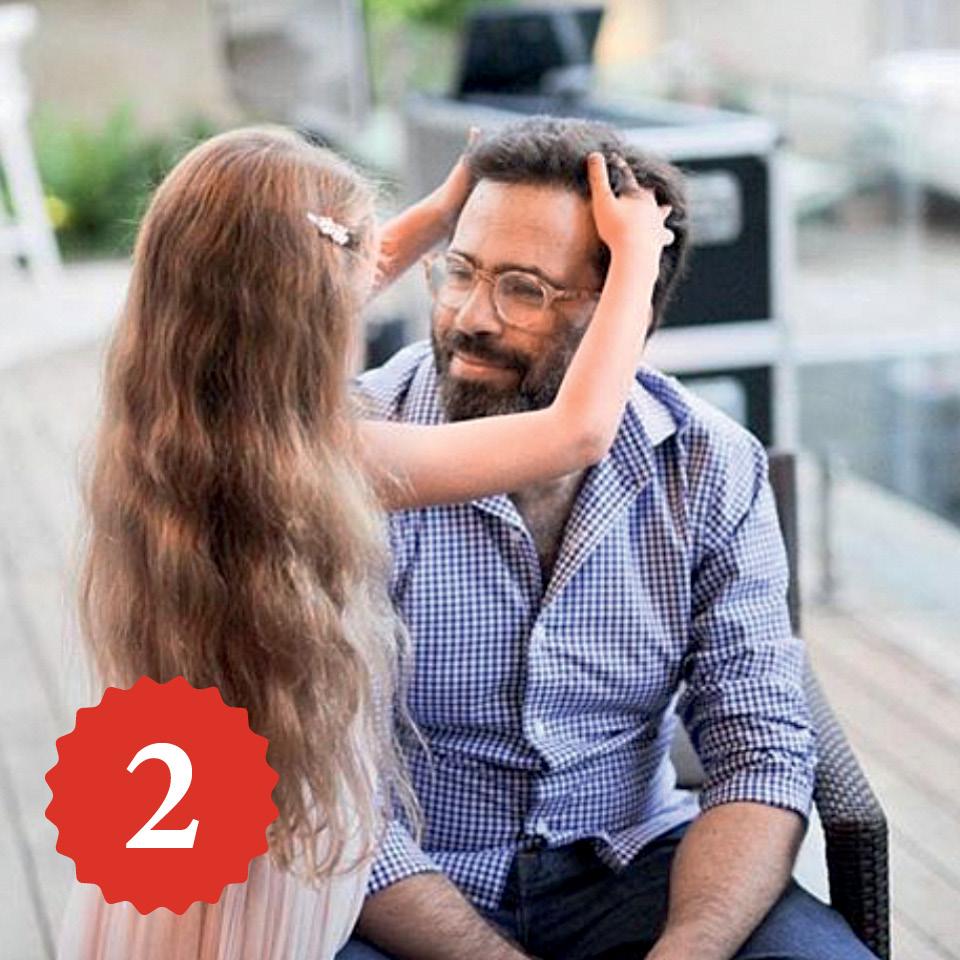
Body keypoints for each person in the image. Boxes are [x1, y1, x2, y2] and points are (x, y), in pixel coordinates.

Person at [57, 124, 673, 959]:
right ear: (312, 312)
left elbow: (302, 279)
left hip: (171, 847)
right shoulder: (325, 462)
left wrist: (449, 206)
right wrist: (637, 260)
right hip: (267, 876)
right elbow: (576, 433)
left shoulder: (159, 434)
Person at [339, 118, 878, 960]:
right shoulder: (339, 454)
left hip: (639, 872)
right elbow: (332, 797)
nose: (470, 318)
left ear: (624, 313)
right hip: (405, 888)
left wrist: (690, 946)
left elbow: (760, 748)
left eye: (523, 289)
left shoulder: (711, 465)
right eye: (461, 270)